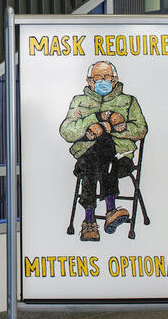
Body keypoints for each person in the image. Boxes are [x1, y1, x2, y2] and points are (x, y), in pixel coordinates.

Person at [59, 61, 148, 242]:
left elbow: (141, 129)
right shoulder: (79, 102)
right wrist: (98, 118)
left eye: (106, 77)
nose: (102, 81)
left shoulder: (128, 101)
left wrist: (110, 128)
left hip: (119, 158)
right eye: (97, 77)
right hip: (89, 156)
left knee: (98, 152)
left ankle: (89, 221)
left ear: (114, 80)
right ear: (89, 81)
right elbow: (66, 131)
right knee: (94, 155)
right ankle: (111, 210)